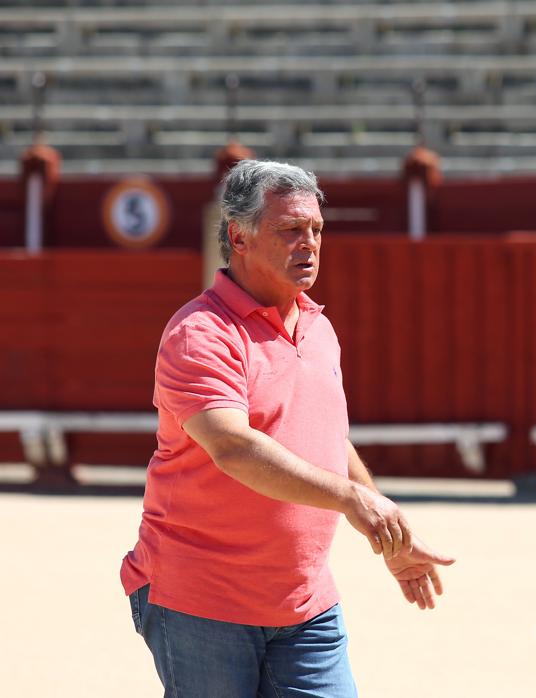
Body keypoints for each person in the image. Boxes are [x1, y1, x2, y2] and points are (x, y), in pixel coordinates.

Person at [121, 160, 455, 697]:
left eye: (317, 230)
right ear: (239, 236)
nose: (310, 244)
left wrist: (386, 529)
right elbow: (232, 446)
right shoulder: (200, 332)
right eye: (291, 230)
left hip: (306, 603)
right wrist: (351, 500)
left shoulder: (318, 326)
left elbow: (327, 438)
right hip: (200, 601)